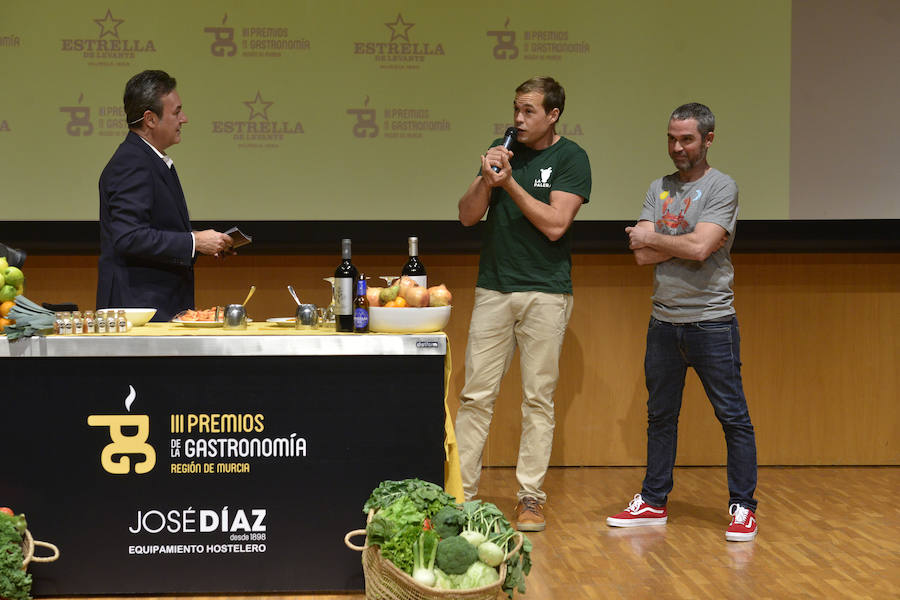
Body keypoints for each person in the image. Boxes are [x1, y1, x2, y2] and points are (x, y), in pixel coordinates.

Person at [607, 103, 759, 541]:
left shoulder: (722, 187)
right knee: (660, 417)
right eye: (672, 138)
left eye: (686, 139)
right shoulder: (660, 187)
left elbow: (699, 248)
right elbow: (641, 255)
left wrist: (659, 238)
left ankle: (743, 507)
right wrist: (681, 241)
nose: (677, 147)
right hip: (663, 323)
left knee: (733, 417)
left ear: (708, 140)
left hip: (712, 323)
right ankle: (654, 501)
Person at [455, 76, 591, 532]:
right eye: (516, 108)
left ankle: (530, 496)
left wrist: (509, 184)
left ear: (553, 115)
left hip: (546, 292)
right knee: (475, 396)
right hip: (494, 287)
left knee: (538, 400)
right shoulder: (501, 148)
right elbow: (468, 215)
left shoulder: (571, 157)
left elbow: (555, 225)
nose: (518, 119)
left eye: (529, 110)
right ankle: (461, 492)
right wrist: (486, 179)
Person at [97, 69, 233, 321]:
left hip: (154, 306)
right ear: (150, 119)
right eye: (176, 112)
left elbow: (152, 230)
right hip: (139, 311)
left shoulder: (148, 159)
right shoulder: (132, 162)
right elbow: (129, 236)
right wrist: (194, 242)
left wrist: (200, 243)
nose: (185, 119)